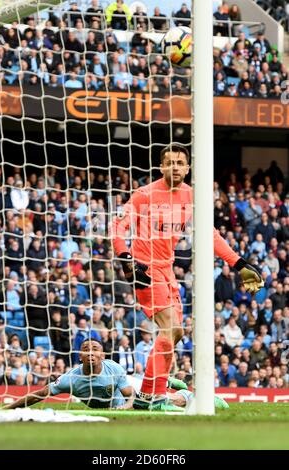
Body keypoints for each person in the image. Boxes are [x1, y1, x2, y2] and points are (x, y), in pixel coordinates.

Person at [112, 144, 263, 410]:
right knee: (171, 330)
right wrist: (126, 259)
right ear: (161, 167)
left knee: (175, 334)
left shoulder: (191, 196)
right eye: (169, 162)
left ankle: (150, 393)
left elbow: (211, 234)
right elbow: (118, 226)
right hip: (144, 269)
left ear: (188, 167)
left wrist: (239, 264)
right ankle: (150, 397)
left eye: (180, 163)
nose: (175, 167)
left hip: (168, 270)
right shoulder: (144, 194)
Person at [5, 339, 134, 410]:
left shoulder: (114, 369)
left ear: (103, 356)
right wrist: (8, 408)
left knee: (148, 401)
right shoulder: (71, 379)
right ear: (79, 357)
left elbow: (131, 394)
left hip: (133, 385)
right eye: (85, 350)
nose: (90, 353)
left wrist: (126, 406)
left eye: (95, 349)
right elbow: (38, 395)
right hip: (104, 409)